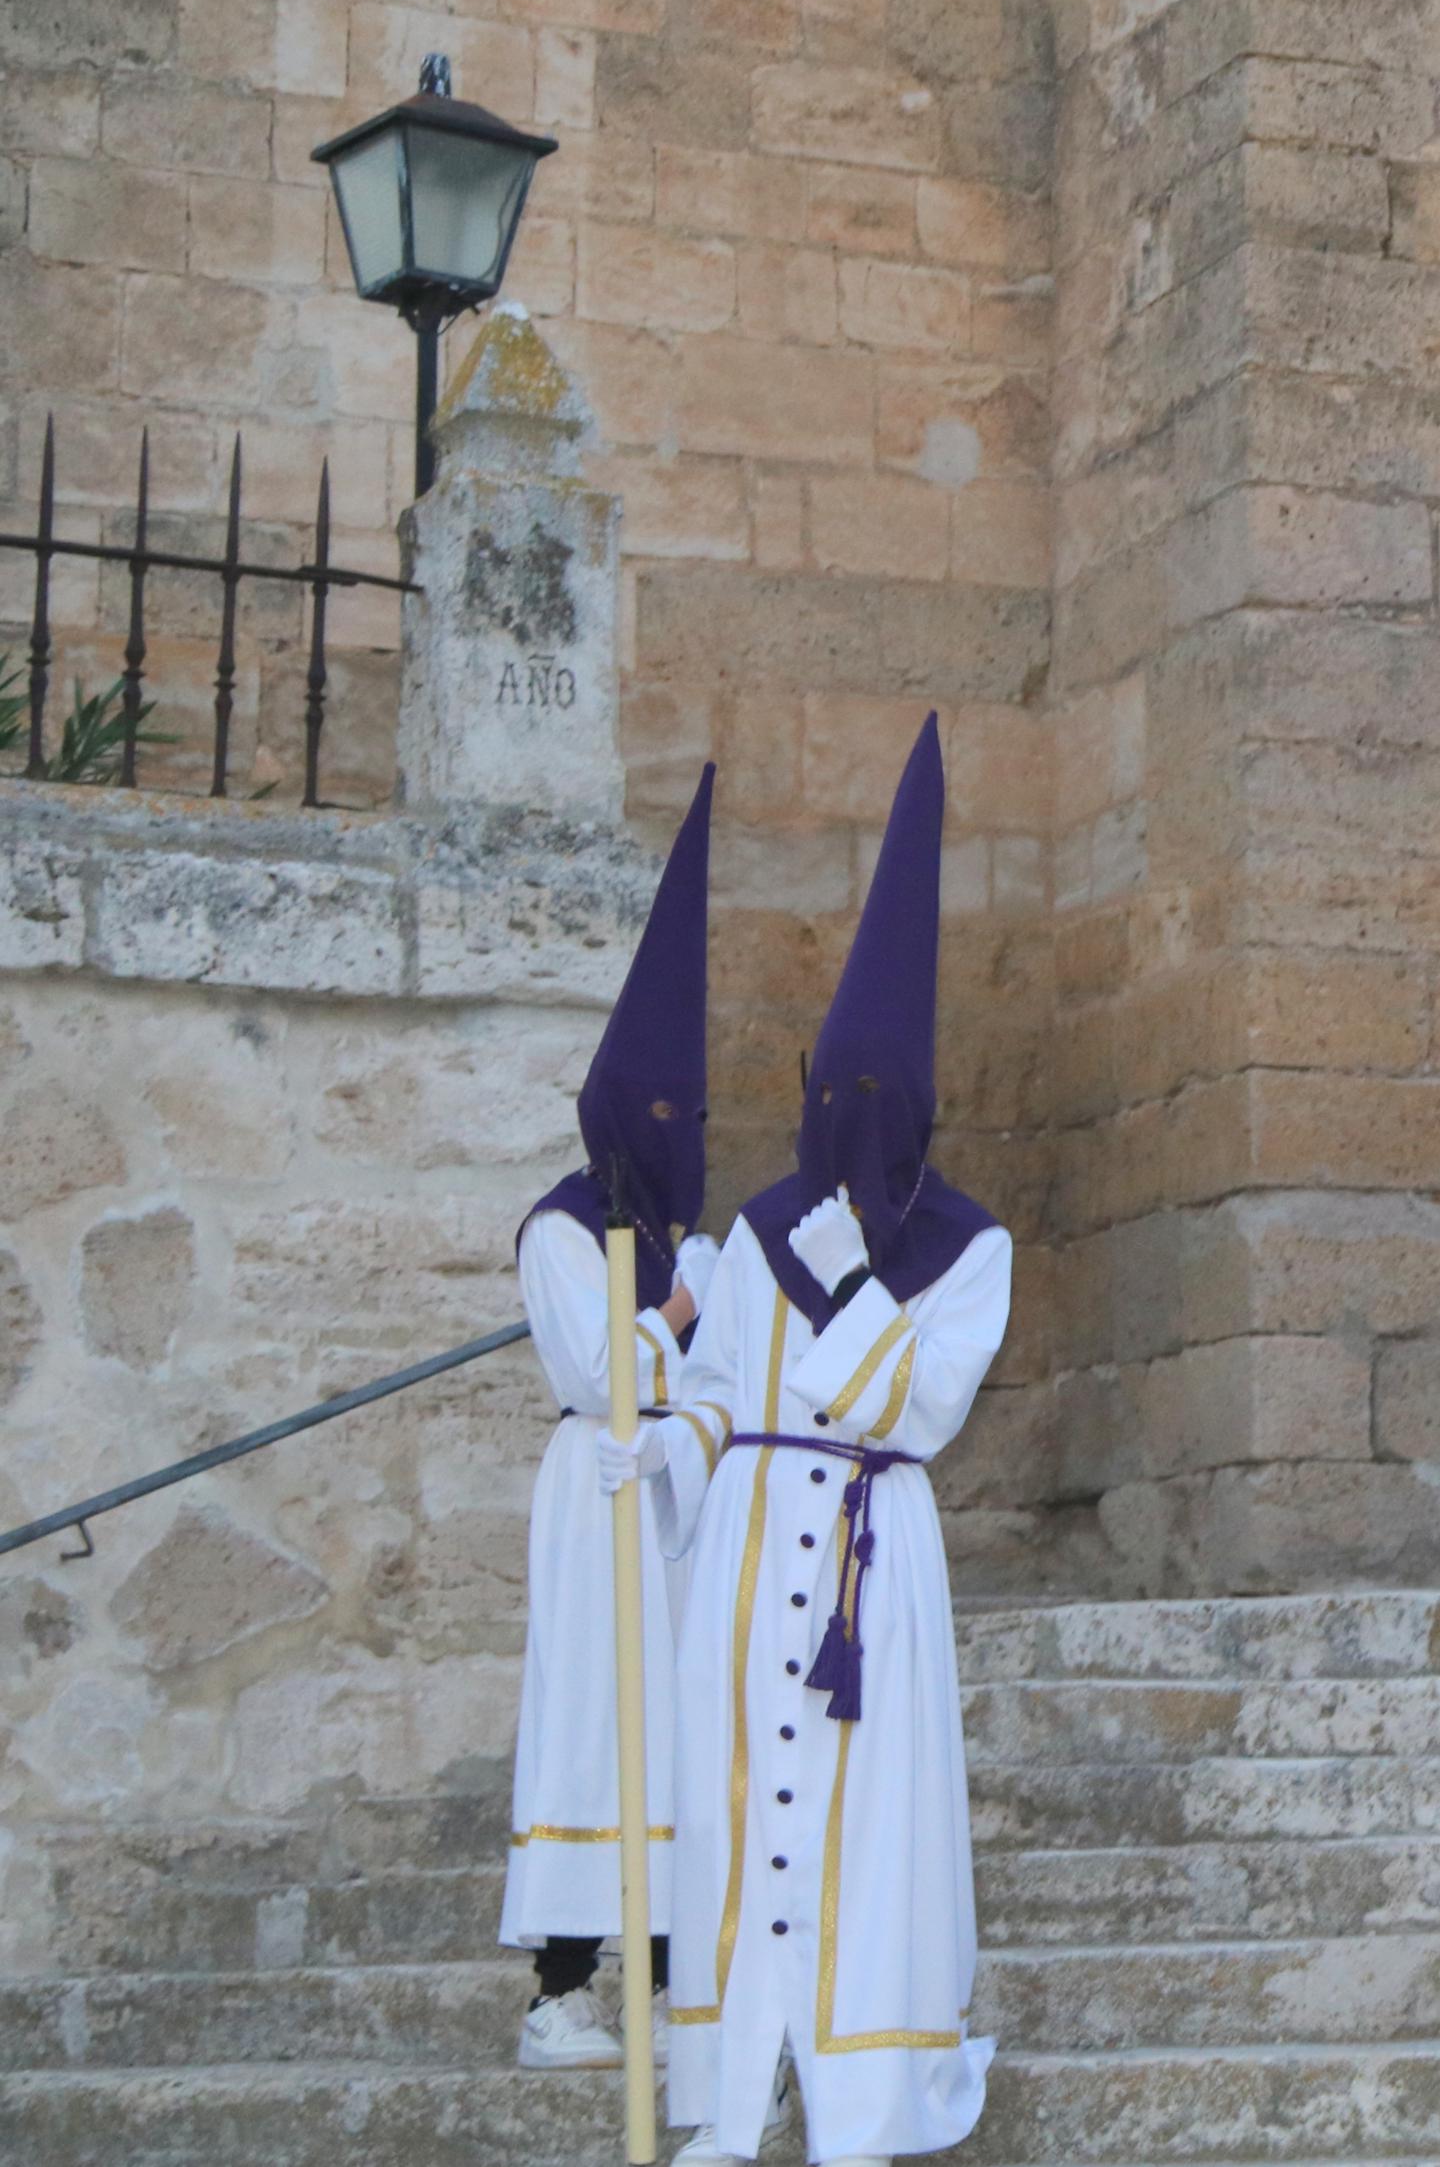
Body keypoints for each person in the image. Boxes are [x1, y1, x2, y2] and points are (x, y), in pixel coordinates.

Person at [616, 718, 1012, 2167]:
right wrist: (657, 1452)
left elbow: (920, 1405)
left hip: (865, 1551)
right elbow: (718, 1383)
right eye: (825, 1098)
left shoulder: (971, 1248)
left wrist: (855, 1281)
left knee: (867, 1827)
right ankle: (728, 2095)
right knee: (729, 1811)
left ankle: (858, 2091)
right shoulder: (749, 1230)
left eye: (873, 1106)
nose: (845, 1131)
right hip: (740, 1549)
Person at [503, 766, 713, 2070]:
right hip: (596, 1496)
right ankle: (558, 1991)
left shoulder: (676, 1236)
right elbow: (594, 1371)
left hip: (670, 1500)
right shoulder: (560, 1232)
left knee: (670, 1727)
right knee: (593, 1720)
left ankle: (660, 1983)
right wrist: (678, 1318)